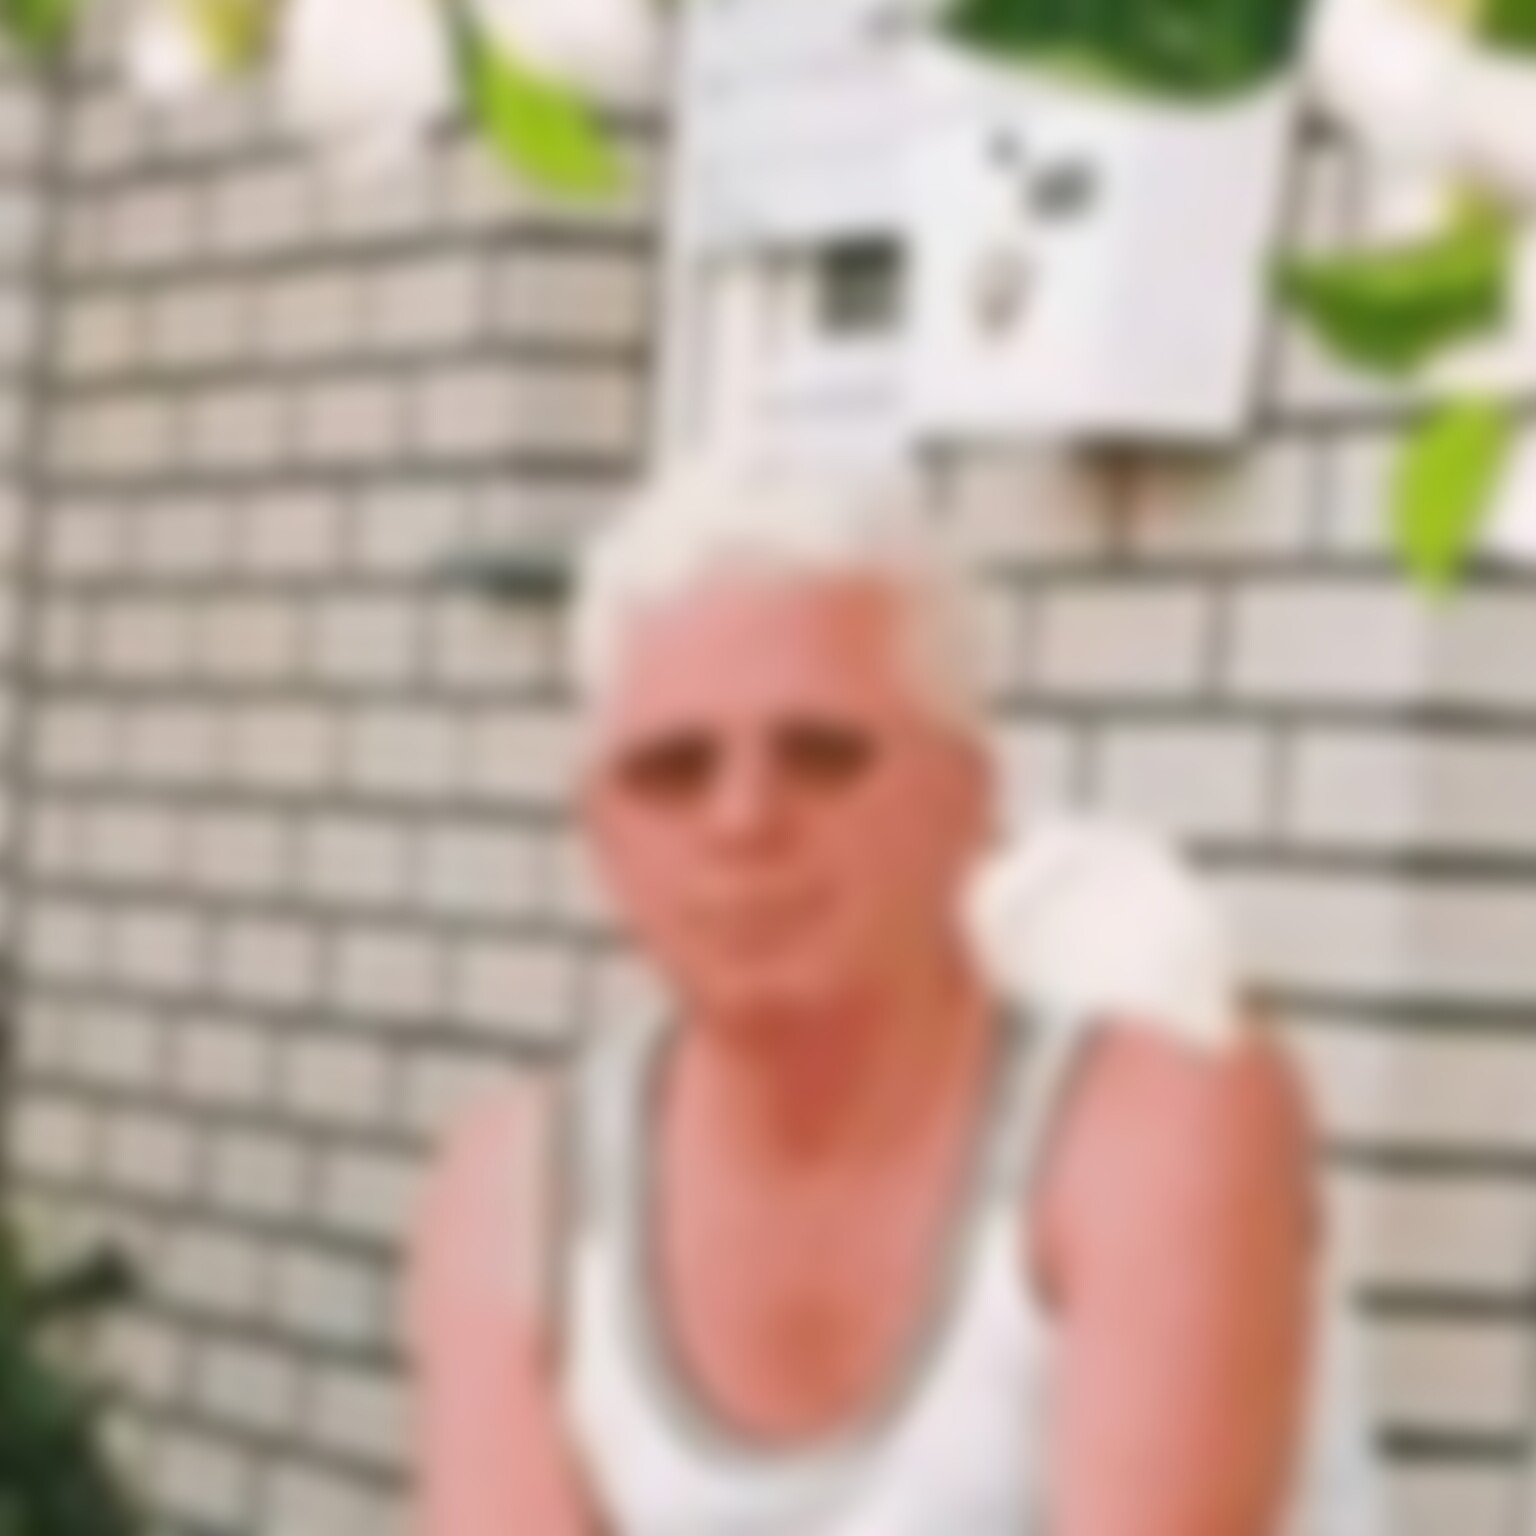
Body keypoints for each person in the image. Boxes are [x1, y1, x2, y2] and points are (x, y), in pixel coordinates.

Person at [403, 450, 1387, 1536]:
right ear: (601, 838)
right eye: (673, 769)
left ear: (969, 800)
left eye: (822, 754)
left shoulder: (1156, 1120)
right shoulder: (519, 1186)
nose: (742, 820)